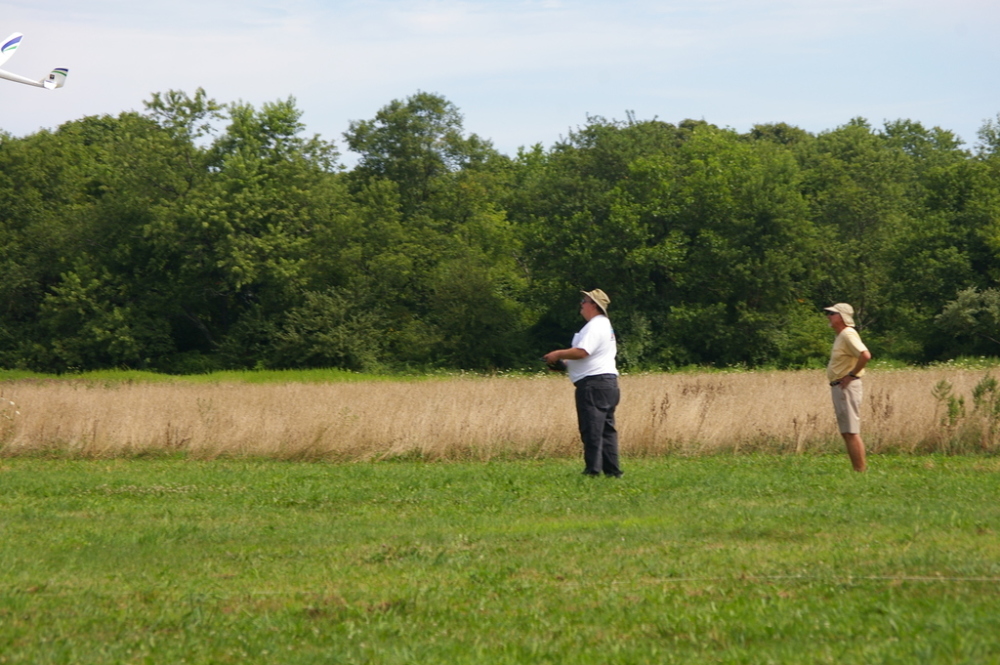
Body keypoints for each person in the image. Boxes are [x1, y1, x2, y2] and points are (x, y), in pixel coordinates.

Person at [543, 289, 622, 477]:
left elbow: (582, 352)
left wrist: (557, 354)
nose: (581, 304)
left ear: (594, 305)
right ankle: (613, 471)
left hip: (593, 385)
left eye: (584, 301)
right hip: (606, 384)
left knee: (592, 428)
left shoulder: (595, 325)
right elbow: (585, 355)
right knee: (605, 430)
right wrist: (564, 365)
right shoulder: (602, 326)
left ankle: (592, 471)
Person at [824, 303, 872, 472]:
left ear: (842, 317)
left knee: (851, 431)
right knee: (846, 431)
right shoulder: (841, 336)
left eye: (832, 313)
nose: (828, 316)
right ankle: (857, 469)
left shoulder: (848, 334)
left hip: (847, 387)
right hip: (839, 387)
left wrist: (851, 375)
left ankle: (860, 471)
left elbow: (865, 355)